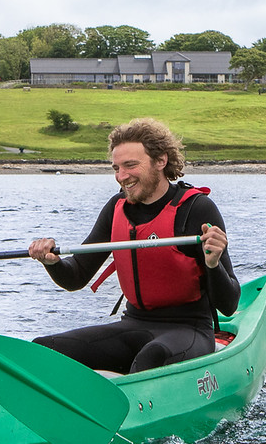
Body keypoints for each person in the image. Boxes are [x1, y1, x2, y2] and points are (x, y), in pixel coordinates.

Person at [27, 117, 239, 375]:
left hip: (189, 329)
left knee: (151, 357)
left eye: (130, 166)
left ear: (161, 161)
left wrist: (212, 263)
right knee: (42, 349)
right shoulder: (116, 209)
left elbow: (229, 305)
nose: (121, 177)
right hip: (134, 324)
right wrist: (53, 262)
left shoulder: (196, 209)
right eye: (116, 168)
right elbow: (76, 277)